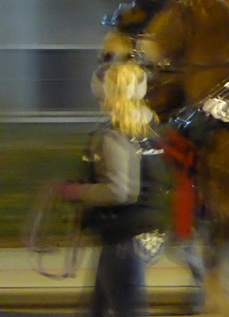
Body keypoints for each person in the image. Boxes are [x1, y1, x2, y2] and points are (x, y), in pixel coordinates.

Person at [58, 61, 160, 317]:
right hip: (140, 233)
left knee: (127, 309)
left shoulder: (114, 135)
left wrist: (76, 191)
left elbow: (119, 191)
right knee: (97, 308)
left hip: (122, 237)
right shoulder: (147, 132)